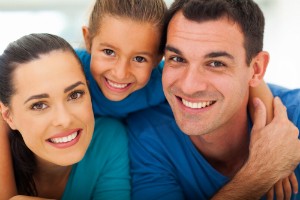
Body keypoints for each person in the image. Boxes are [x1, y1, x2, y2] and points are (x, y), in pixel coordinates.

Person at [0, 0, 293, 198]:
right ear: (88, 42)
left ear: (157, 59)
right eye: (108, 52)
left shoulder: (161, 83)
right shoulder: (72, 69)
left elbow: (254, 82)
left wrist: (269, 141)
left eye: (139, 58)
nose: (120, 72)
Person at [127, 0, 300, 199]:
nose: (188, 86)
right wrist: (258, 175)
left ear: (257, 69)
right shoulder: (148, 135)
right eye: (177, 59)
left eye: (216, 63)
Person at [0, 33, 130, 199]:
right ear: (8, 116)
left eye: (75, 95)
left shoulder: (108, 139)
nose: (65, 119)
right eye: (39, 105)